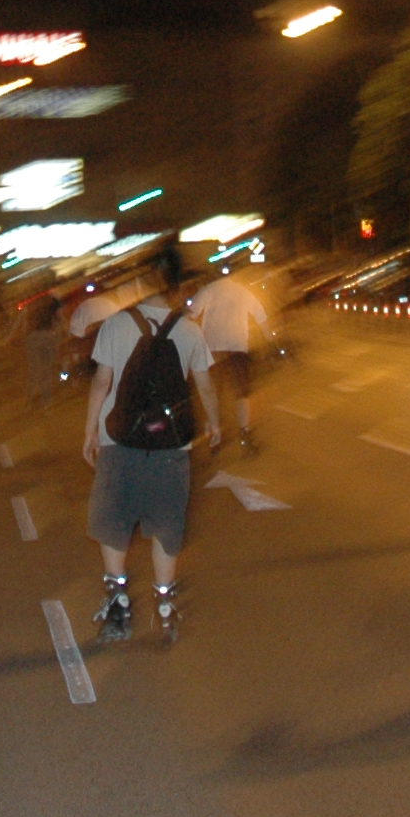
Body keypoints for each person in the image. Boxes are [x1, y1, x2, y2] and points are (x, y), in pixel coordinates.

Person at [81, 265, 226, 645]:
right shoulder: (190, 330)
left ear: (142, 287)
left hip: (118, 442)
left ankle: (118, 603)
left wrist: (90, 431)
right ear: (175, 290)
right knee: (166, 524)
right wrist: (214, 424)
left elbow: (101, 382)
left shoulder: (116, 324)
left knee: (114, 522)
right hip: (171, 447)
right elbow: (205, 386)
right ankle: (164, 604)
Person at [186, 266, 272, 452]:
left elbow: (191, 314)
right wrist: (270, 338)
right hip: (237, 347)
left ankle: (216, 436)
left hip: (213, 350)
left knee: (214, 393)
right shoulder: (243, 291)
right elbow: (261, 315)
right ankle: (245, 434)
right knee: (241, 393)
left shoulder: (208, 290)